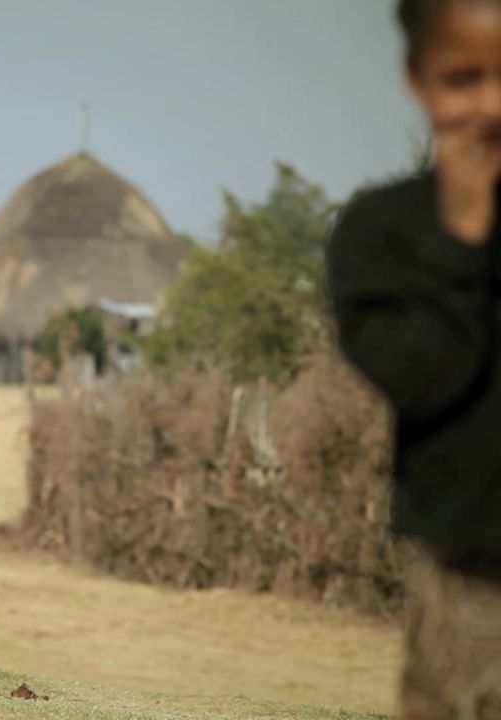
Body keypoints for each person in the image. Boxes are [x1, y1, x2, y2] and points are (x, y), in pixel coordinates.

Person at [326, 1, 501, 715]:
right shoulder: (385, 233)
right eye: (464, 79)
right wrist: (462, 240)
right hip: (468, 587)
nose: (493, 106)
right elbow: (420, 380)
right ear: (417, 80)